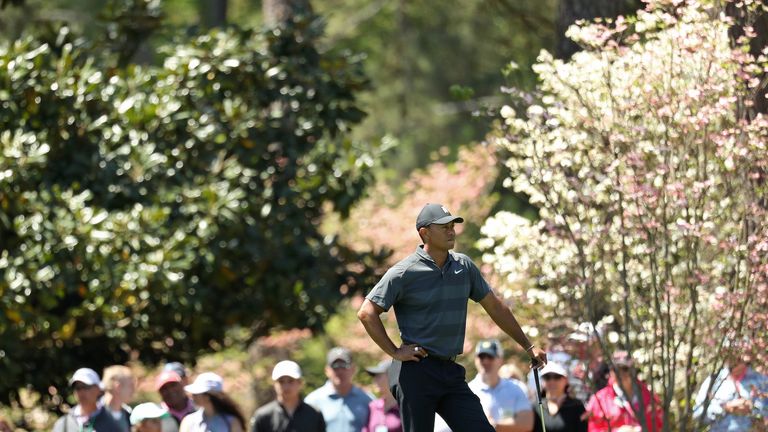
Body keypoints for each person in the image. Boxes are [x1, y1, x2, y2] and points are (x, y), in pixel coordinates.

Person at [357, 203, 547, 432]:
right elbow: (367, 312)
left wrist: (529, 346)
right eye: (444, 227)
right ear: (424, 232)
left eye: (452, 226)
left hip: (449, 372)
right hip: (415, 371)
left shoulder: (464, 266)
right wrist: (395, 352)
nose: (451, 231)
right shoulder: (404, 272)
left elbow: (496, 308)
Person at [584, 351, 663, 432]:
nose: (620, 373)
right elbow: (593, 429)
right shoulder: (599, 400)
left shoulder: (649, 397)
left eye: (625, 369)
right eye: (616, 369)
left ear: (632, 371)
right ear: (611, 372)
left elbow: (660, 425)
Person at [468, 339, 533, 432]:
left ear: (501, 360)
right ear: (475, 360)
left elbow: (526, 424)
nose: (485, 361)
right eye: (481, 357)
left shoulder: (516, 388)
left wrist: (492, 424)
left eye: (490, 356)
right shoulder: (468, 390)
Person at [304, 347, 373, 432]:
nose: (340, 371)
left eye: (344, 365)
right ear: (327, 370)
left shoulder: (367, 400)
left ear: (353, 369)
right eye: (335, 366)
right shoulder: (312, 401)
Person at [693, 354, 768, 431]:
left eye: (739, 360)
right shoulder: (714, 381)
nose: (736, 363)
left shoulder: (760, 380)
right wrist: (725, 407)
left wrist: (751, 410)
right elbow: (697, 413)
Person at [250, 360, 325, 432]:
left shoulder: (314, 414)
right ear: (274, 384)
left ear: (300, 383)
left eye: (291, 381)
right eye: (281, 381)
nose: (286, 386)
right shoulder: (263, 416)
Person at [53, 367, 122, 432]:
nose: (81, 392)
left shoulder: (112, 422)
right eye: (77, 388)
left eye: (86, 387)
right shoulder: (63, 423)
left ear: (98, 389)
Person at [179, 372, 246, 432]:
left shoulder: (231, 422)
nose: (192, 396)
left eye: (196, 394)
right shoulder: (188, 421)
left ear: (207, 397)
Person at [532, 362, 586, 432]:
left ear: (566, 380)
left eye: (557, 377)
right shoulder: (536, 406)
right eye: (547, 377)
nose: (552, 381)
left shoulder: (577, 406)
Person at [362, 359, 402, 432]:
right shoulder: (373, 406)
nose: (374, 380)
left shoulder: (404, 408)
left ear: (392, 377)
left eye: (378, 376)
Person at [102, 365, 137, 432]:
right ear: (117, 387)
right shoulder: (93, 414)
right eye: (131, 386)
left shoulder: (128, 416)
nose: (134, 390)